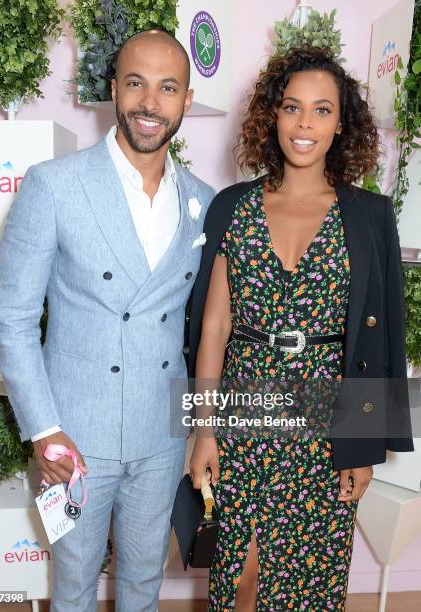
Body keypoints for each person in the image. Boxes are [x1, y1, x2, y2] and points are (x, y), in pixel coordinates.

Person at [0, 29, 215, 612]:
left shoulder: (204, 200)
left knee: (144, 585)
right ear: (114, 89)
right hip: (75, 434)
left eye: (168, 88)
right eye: (136, 83)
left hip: (161, 435)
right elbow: (14, 318)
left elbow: (205, 326)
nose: (150, 102)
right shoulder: (54, 185)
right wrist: (43, 430)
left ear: (186, 100)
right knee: (73, 587)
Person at [188, 46, 414, 611]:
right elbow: (213, 327)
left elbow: (376, 339)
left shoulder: (368, 215)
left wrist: (361, 446)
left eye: (322, 110)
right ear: (274, 115)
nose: (305, 123)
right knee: (239, 572)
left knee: (309, 582)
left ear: (342, 124)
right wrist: (205, 431)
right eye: (292, 107)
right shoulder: (233, 207)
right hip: (245, 407)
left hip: (325, 418)